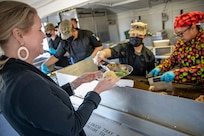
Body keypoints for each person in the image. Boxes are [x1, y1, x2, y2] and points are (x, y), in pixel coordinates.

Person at [0, 1, 119, 136]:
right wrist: (97, 91)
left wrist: (76, 82)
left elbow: (46, 105)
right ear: (19, 35)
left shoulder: (11, 74)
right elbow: (72, 126)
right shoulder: (25, 82)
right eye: (39, 30)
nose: (44, 36)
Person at [149, 11, 204, 85]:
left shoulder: (202, 41)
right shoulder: (181, 42)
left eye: (181, 33)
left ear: (193, 27)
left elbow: (202, 69)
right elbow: (173, 59)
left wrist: (177, 74)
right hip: (185, 85)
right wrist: (161, 67)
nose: (180, 37)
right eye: (177, 34)